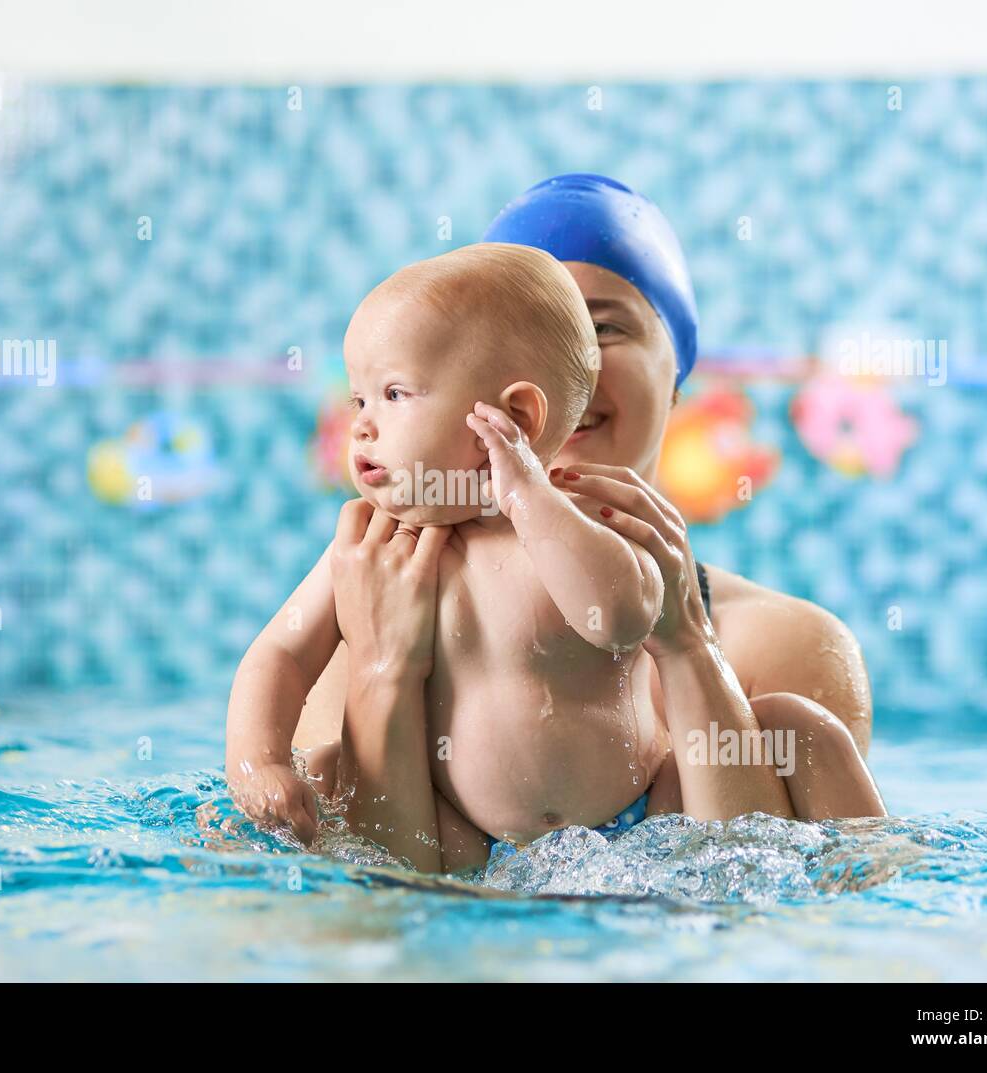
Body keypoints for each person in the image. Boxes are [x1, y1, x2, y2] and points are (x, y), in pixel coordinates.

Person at [274, 174, 884, 873]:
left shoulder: (786, 644)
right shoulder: (371, 598)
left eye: (600, 332)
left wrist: (686, 646)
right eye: (513, 343)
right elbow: (369, 912)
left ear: (678, 373)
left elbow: (774, 910)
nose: (572, 375)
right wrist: (384, 670)